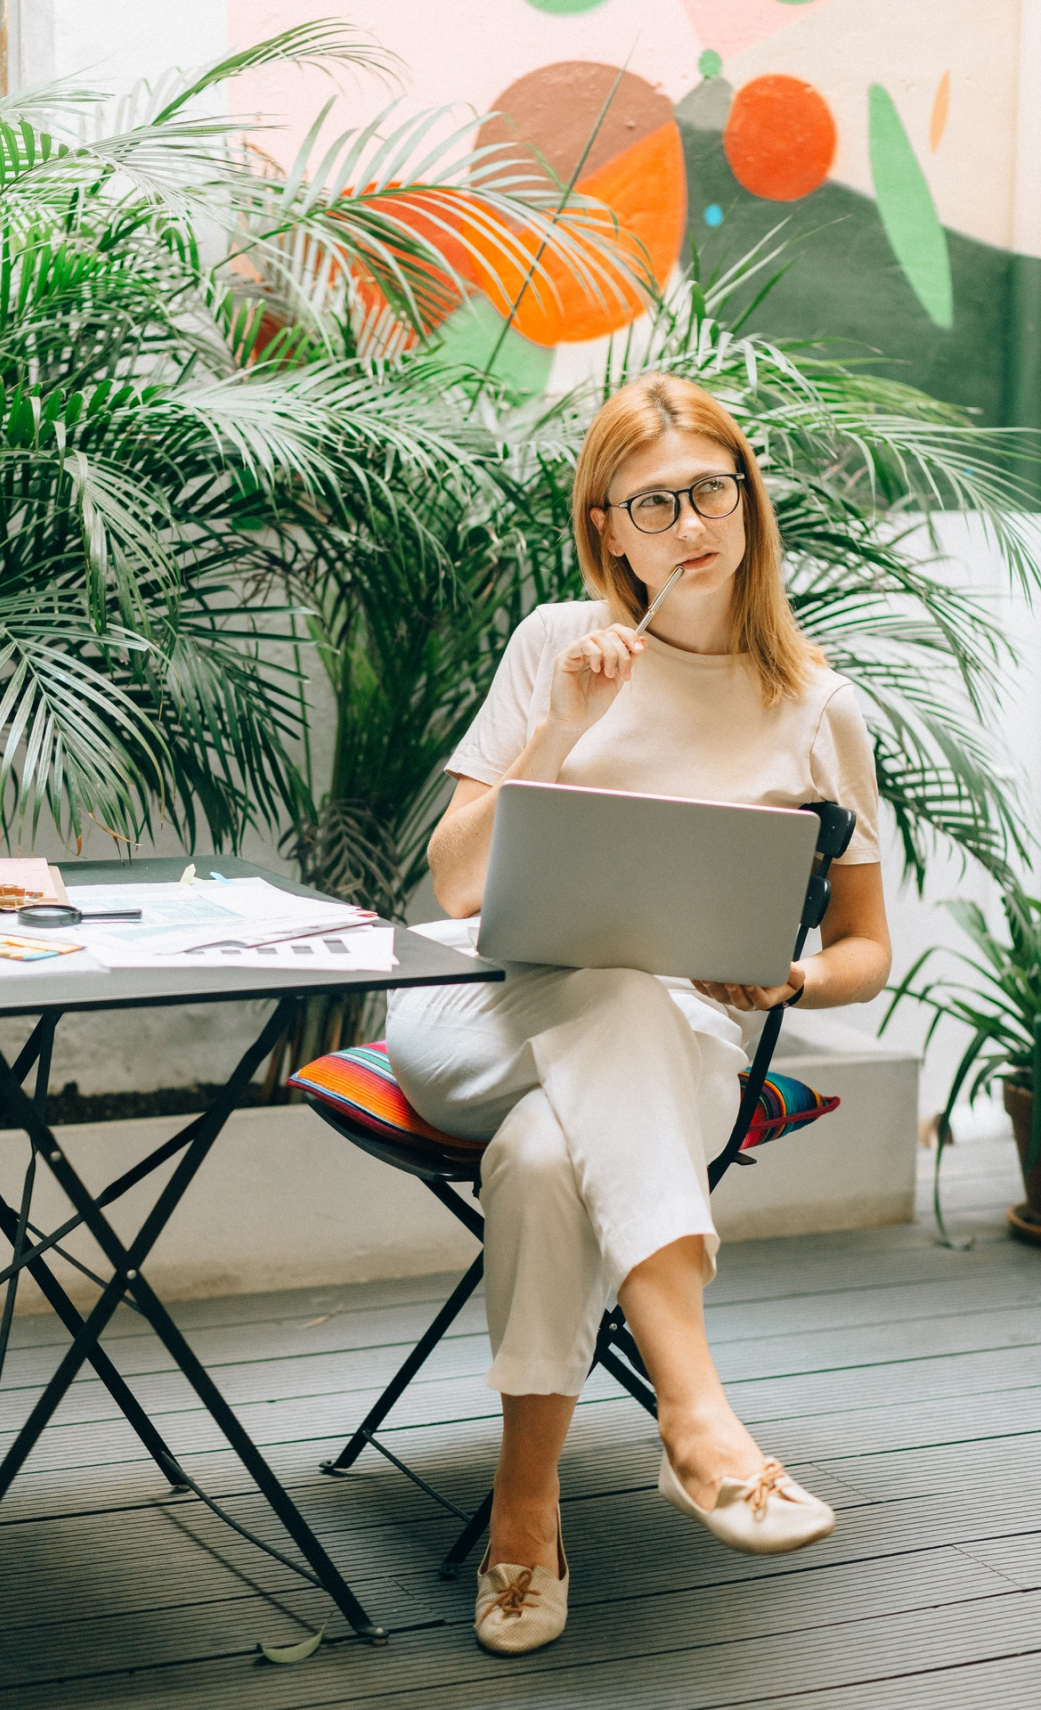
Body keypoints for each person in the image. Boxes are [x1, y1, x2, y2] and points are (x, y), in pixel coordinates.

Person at [385, 373, 892, 1656]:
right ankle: (698, 1410)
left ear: (747, 499)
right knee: (607, 973)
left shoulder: (822, 710)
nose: (688, 524)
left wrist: (786, 983)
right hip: (475, 1022)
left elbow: (864, 952)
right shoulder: (560, 643)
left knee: (552, 1156)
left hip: (669, 1059)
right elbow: (454, 882)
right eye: (651, 504)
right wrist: (562, 726)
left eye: (709, 489)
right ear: (606, 526)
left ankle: (526, 1516)